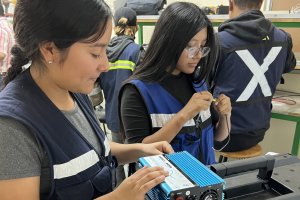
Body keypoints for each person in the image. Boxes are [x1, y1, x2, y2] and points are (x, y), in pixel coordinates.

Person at [0, 0, 173, 199]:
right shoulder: (11, 128)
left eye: (105, 51)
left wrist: (139, 150)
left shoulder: (75, 91)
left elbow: (91, 151)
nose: (106, 65)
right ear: (50, 50)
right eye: (95, 53)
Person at [119, 2, 232, 166]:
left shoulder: (198, 82)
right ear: (169, 41)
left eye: (202, 46)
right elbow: (139, 154)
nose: (198, 55)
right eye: (191, 46)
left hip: (207, 182)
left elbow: (218, 139)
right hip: (168, 188)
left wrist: (225, 115)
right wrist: (183, 116)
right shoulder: (136, 92)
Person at [211, 0, 296, 152]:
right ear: (262, 3)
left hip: (221, 134)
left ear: (231, 3)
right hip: (259, 130)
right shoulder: (283, 38)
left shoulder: (218, 42)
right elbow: (289, 66)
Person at [98, 7, 144, 186]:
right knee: (137, 158)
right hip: (133, 120)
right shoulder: (136, 52)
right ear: (136, 27)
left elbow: (95, 94)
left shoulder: (104, 52)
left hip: (113, 118)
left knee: (116, 160)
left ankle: (120, 191)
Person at [0, 3, 14, 90]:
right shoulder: (9, 25)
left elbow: (2, 54)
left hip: (2, 74)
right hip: (10, 73)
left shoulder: (0, 27)